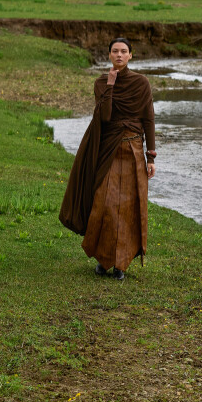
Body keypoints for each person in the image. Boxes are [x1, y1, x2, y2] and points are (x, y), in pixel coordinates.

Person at [59, 38, 156, 280]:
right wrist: (110, 85)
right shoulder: (101, 82)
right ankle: (104, 260)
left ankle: (121, 264)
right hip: (108, 151)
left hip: (133, 150)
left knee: (129, 208)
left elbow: (148, 119)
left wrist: (151, 155)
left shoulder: (141, 83)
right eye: (115, 51)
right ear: (109, 55)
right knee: (105, 204)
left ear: (131, 55)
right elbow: (104, 117)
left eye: (124, 51)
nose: (119, 55)